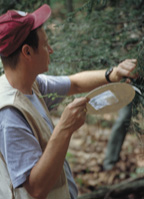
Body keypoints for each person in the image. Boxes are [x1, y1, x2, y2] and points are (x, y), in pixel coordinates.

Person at [0, 4, 137, 199]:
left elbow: (74, 83)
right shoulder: (9, 114)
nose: (51, 50)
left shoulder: (31, 84)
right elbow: (36, 189)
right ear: (27, 52)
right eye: (46, 44)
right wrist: (64, 129)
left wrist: (113, 74)